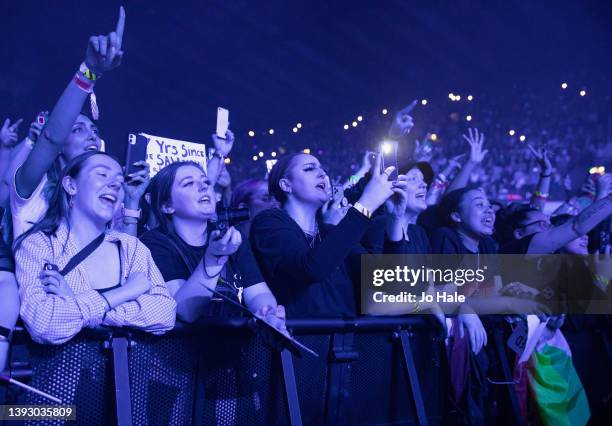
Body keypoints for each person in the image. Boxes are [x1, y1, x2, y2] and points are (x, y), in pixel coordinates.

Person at [10, 7, 149, 238]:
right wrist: (90, 71)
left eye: (94, 130)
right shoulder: (32, 188)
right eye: (77, 129)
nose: (92, 135)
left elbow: (125, 258)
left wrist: (132, 202)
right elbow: (50, 138)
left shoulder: (106, 198)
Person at [14, 151, 176, 345]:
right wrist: (124, 293)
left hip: (128, 374)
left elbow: (165, 313)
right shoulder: (40, 244)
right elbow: (44, 322)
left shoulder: (131, 247)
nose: (116, 184)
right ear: (71, 185)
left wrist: (75, 302)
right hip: (66, 374)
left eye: (119, 180)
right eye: (102, 174)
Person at [250, 151, 396, 317]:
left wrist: (396, 218)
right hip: (299, 340)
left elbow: (385, 284)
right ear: (286, 185)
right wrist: (366, 205)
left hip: (350, 341)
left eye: (322, 169)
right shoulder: (269, 223)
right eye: (309, 168)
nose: (322, 173)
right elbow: (311, 269)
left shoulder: (328, 231)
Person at [140, 161, 285, 327]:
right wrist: (213, 259)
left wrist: (268, 312)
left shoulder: (230, 237)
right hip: (183, 350)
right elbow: (185, 311)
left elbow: (257, 291)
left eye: (206, 181)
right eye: (188, 183)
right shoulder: (154, 243)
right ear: (167, 206)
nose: (203, 187)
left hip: (236, 348)